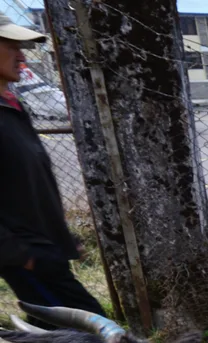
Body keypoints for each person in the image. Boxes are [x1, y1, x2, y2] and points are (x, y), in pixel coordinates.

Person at [0, 15, 108, 320]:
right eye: (11, 46)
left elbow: (26, 188)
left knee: (83, 337)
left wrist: (63, 237)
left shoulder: (12, 106)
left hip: (46, 250)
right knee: (93, 337)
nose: (22, 55)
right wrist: (24, 257)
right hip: (29, 257)